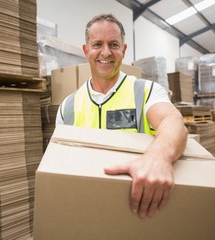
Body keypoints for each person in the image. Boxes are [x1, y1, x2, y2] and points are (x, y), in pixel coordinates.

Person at [56, 13, 188, 218]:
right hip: (85, 207)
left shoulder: (146, 91)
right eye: (97, 44)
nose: (106, 52)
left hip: (136, 208)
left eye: (114, 44)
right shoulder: (68, 106)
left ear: (124, 50)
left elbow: (172, 121)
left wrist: (158, 157)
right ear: (86, 50)